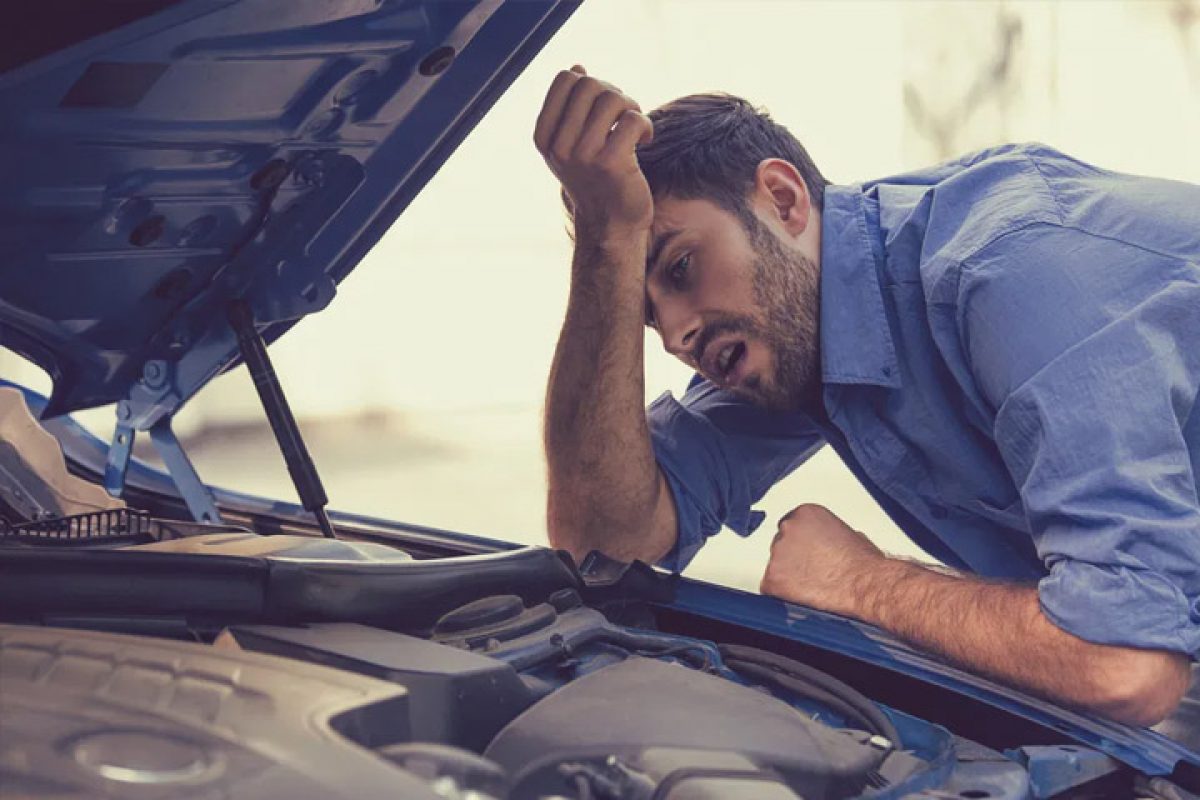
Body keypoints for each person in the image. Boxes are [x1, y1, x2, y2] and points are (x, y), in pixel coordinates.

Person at [535, 66, 1200, 729]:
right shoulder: (801, 331)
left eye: (680, 267)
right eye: (648, 318)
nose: (676, 334)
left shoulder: (1012, 276)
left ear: (782, 199)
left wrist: (860, 583)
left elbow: (1124, 662)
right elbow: (602, 541)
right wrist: (607, 243)